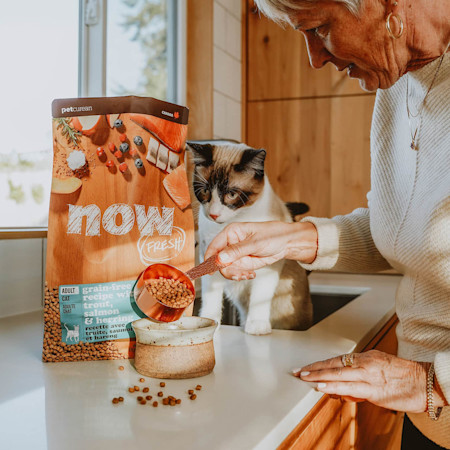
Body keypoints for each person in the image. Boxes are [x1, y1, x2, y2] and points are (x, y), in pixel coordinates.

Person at [204, 0, 450, 447]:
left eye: (319, 28)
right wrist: (287, 238)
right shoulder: (395, 85)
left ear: (386, 5)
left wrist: (431, 383)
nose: (314, 59)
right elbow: (407, 226)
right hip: (428, 419)